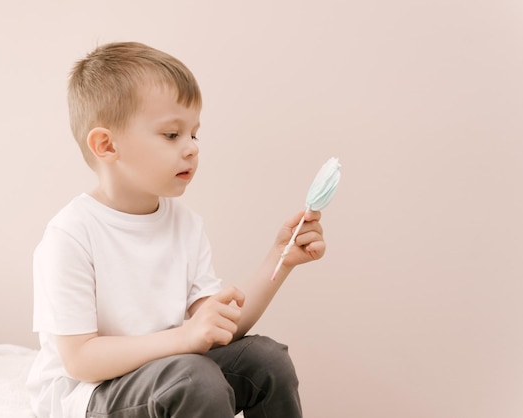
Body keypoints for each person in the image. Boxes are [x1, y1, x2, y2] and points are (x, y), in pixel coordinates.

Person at [26, 41, 326, 418]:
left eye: (194, 134)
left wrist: (281, 258)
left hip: (169, 371)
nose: (191, 149)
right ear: (106, 145)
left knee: (266, 360)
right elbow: (80, 360)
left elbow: (218, 326)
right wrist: (184, 338)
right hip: (89, 394)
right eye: (172, 135)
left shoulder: (185, 224)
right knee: (194, 377)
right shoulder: (70, 235)